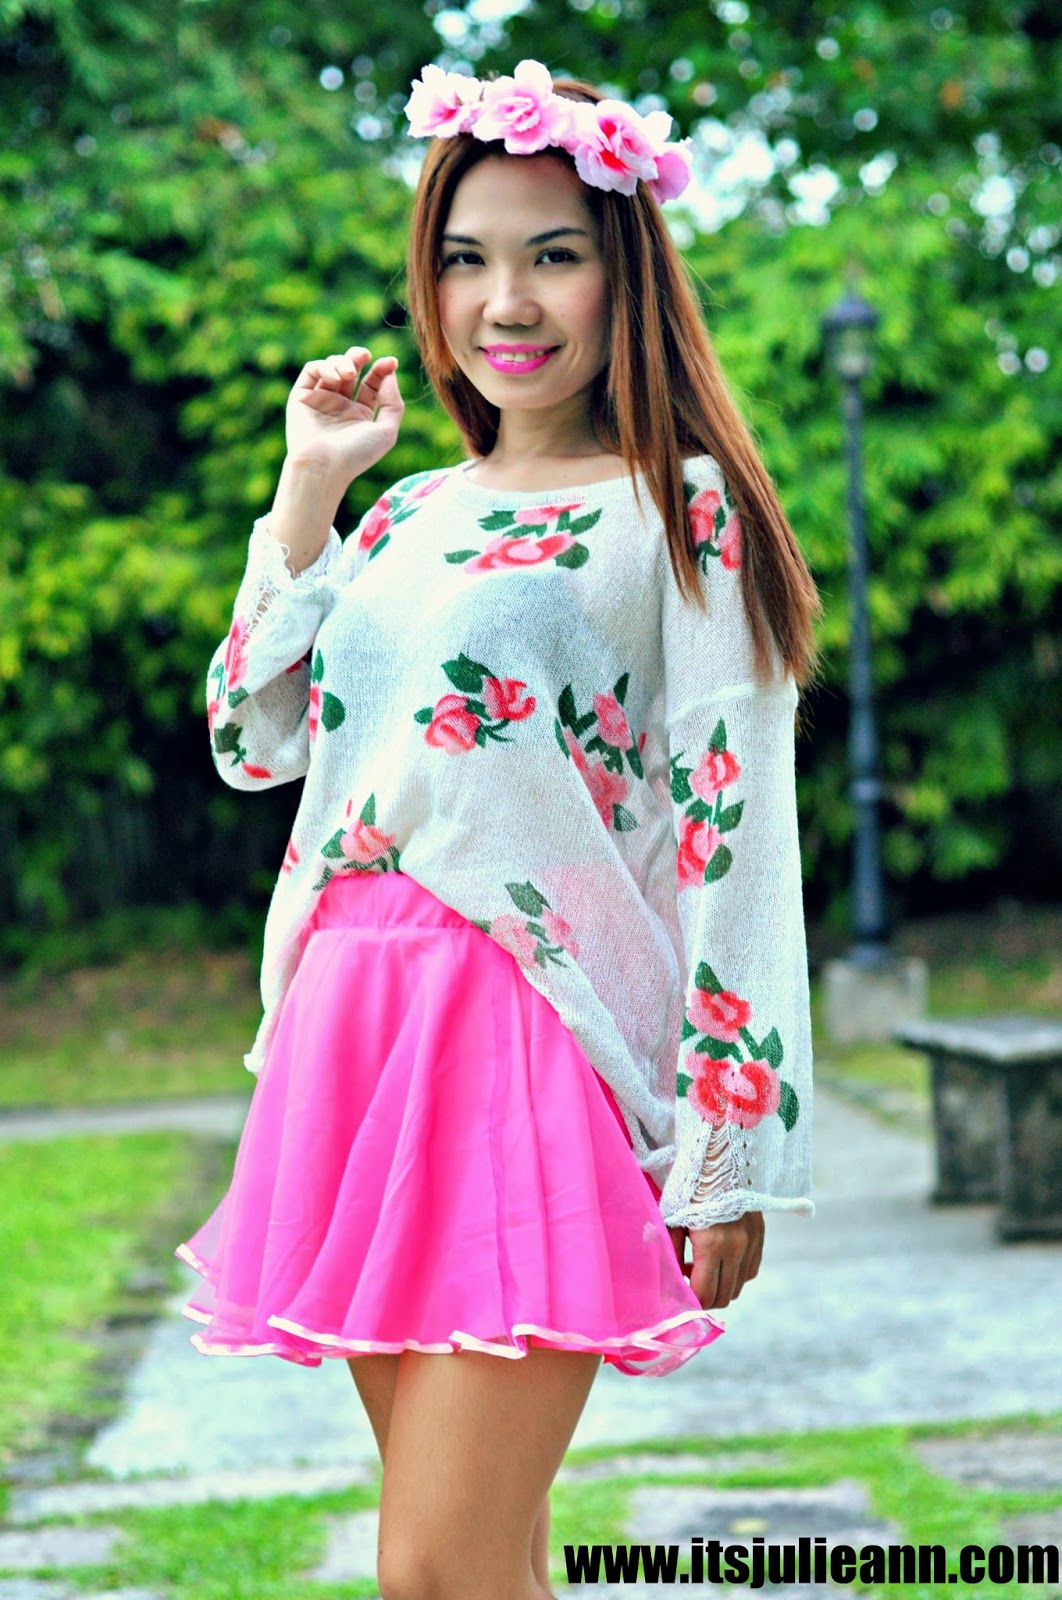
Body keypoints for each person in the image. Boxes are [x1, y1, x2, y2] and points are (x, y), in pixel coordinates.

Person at [178, 58, 823, 1600]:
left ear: (624, 274)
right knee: (480, 1567)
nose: (504, 302)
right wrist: (309, 490)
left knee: (435, 1570)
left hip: (530, 1034)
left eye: (552, 254)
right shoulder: (407, 513)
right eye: (466, 259)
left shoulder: (683, 509)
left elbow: (734, 825)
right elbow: (250, 739)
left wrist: (728, 1146)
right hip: (353, 1027)